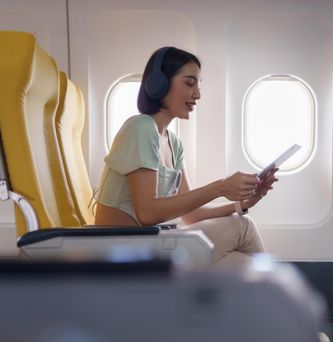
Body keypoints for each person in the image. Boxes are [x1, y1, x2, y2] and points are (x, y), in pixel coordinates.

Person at [94, 46, 279, 267]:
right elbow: (147, 213)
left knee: (238, 262)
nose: (197, 94)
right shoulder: (141, 127)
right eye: (189, 83)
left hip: (148, 242)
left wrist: (243, 204)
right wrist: (220, 187)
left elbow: (192, 215)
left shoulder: (174, 143)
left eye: (199, 85)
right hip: (122, 249)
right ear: (158, 84)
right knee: (243, 227)